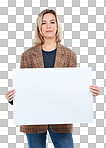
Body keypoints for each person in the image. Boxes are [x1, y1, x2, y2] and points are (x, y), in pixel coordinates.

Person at [5, 9, 100, 148]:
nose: (48, 26)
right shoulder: (27, 55)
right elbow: (25, 88)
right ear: (39, 27)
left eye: (52, 22)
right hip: (34, 119)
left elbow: (72, 89)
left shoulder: (69, 55)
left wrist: (87, 92)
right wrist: (13, 99)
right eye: (43, 23)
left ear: (57, 26)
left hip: (62, 120)